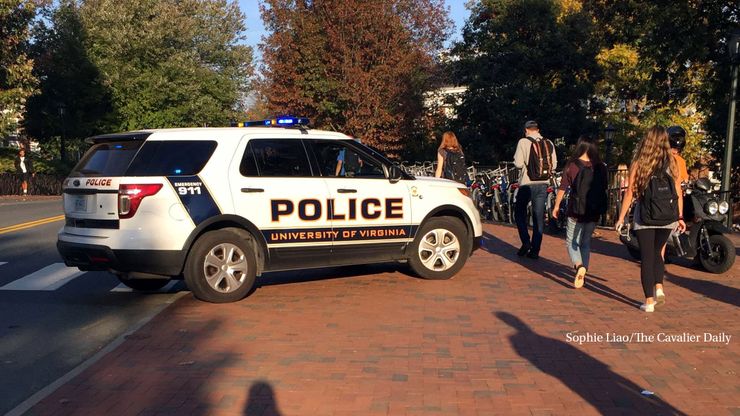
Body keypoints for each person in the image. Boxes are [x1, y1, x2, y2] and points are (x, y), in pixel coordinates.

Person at [615, 126, 686, 312]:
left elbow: (630, 192)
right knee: (658, 253)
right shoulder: (673, 162)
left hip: (645, 215)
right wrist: (679, 216)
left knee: (646, 257)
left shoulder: (640, 162)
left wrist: (621, 218)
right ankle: (659, 287)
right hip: (667, 216)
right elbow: (678, 191)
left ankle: (648, 301)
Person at [552, 135, 607, 288]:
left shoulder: (573, 165)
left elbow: (563, 187)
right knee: (586, 242)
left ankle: (578, 266)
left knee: (571, 242)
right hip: (593, 210)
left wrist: (556, 206)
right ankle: (584, 272)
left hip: (575, 210)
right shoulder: (600, 166)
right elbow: (604, 188)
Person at [513, 120, 557, 259]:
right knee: (538, 217)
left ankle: (526, 241)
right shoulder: (548, 143)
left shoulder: (523, 142)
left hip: (527, 184)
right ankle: (535, 250)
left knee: (519, 213)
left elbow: (519, 163)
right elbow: (554, 165)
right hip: (543, 183)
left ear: (526, 130)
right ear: (538, 129)